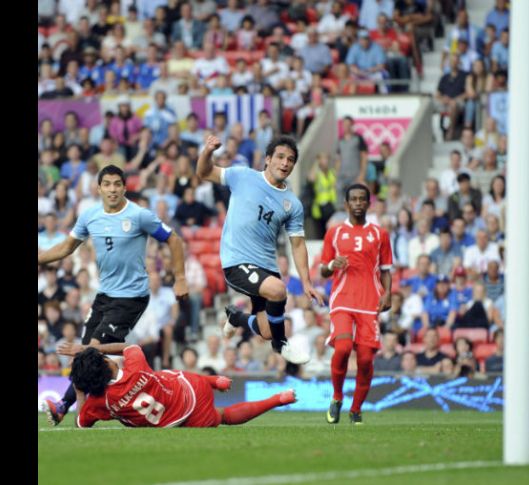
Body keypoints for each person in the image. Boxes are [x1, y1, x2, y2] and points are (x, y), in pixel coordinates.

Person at [39, 164, 188, 426]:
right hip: (104, 295)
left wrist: (181, 279)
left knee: (91, 350)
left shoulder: (139, 215)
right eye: (107, 184)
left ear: (124, 187)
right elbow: (66, 247)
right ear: (98, 188)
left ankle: (76, 408)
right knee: (83, 355)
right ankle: (70, 408)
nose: (112, 189)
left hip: (132, 297)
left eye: (117, 184)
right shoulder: (89, 216)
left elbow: (174, 239)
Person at [196, 135, 324, 365]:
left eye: (290, 160)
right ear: (267, 159)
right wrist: (207, 152)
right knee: (278, 290)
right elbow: (204, 172)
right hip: (237, 261)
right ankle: (281, 344)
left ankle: (237, 318)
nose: (285, 163)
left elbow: (297, 244)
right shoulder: (243, 176)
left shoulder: (292, 204)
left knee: (266, 330)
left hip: (266, 267)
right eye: (280, 157)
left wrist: (306, 282)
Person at [67, 345, 296, 428]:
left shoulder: (101, 402)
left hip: (183, 419)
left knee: (224, 416)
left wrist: (79, 392)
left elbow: (80, 422)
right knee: (167, 375)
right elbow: (128, 346)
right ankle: (214, 381)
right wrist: (92, 348)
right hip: (191, 388)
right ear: (106, 361)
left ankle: (277, 400)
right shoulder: (136, 366)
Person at [320, 183, 392, 425]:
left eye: (362, 199)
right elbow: (323, 270)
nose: (358, 203)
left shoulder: (380, 234)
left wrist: (388, 294)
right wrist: (332, 265)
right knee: (342, 348)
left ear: (369, 204)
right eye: (354, 199)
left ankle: (356, 409)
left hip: (370, 302)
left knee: (365, 360)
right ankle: (337, 397)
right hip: (342, 298)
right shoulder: (335, 232)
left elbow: (386, 270)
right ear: (346, 204)